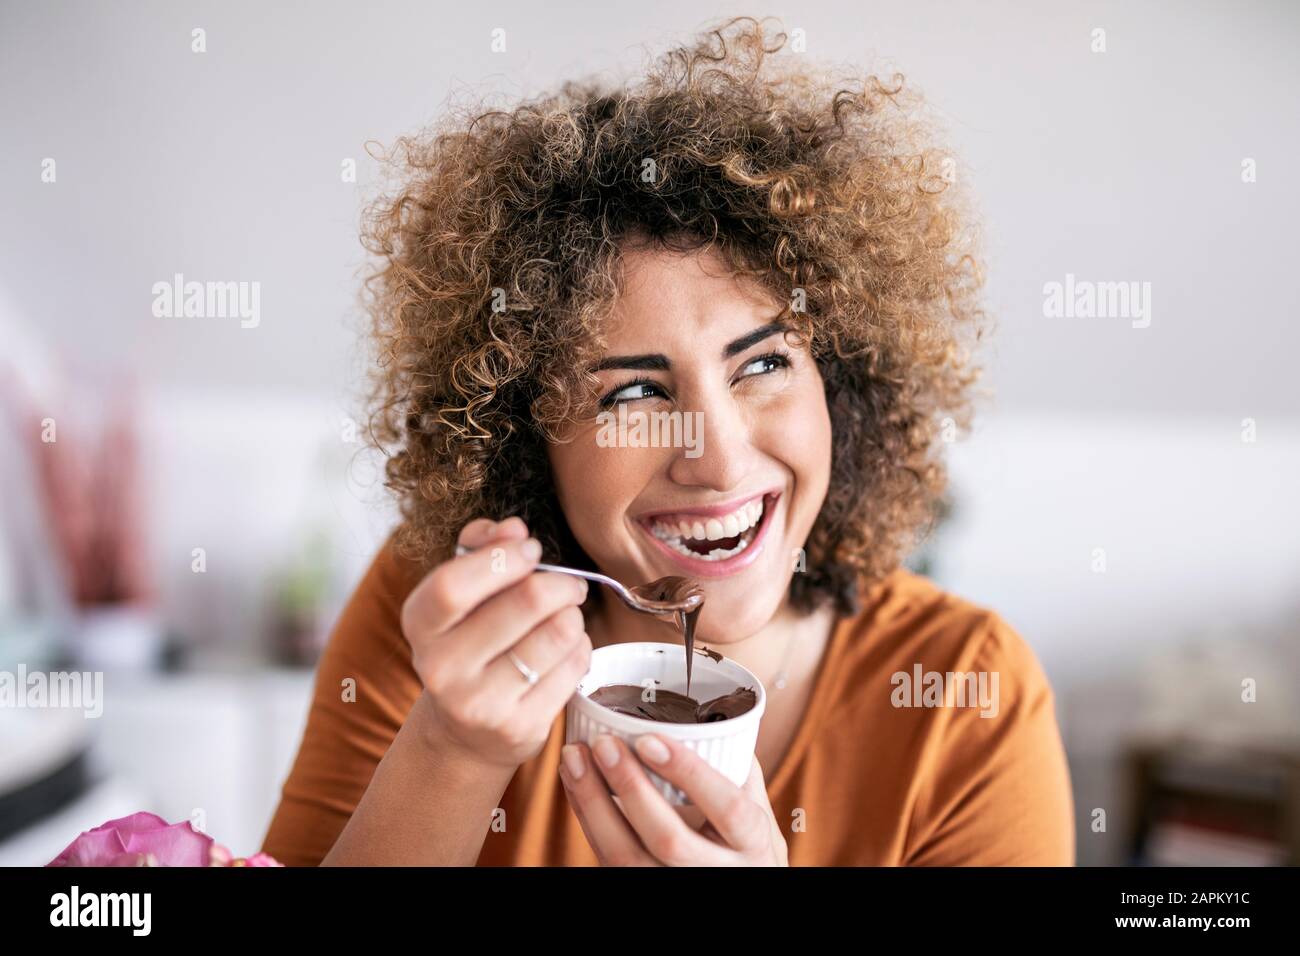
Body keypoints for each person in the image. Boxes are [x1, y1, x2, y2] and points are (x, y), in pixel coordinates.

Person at [261, 16, 1074, 866]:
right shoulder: (442, 621)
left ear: (838, 378)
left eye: (762, 363)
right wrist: (451, 748)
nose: (717, 458)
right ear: (522, 433)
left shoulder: (963, 695)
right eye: (637, 390)